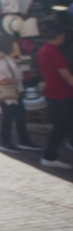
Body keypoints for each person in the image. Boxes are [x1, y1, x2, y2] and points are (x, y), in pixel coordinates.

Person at [0, 34, 40, 153]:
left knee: (20, 115)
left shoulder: (5, 55)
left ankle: (24, 141)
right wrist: (9, 79)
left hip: (14, 90)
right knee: (8, 117)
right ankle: (6, 142)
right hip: (5, 90)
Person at [37, 27, 73, 169]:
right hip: (61, 94)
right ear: (60, 37)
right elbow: (65, 75)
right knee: (67, 125)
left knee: (60, 127)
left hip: (53, 93)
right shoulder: (53, 52)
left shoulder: (42, 50)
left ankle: (49, 156)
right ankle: (49, 157)